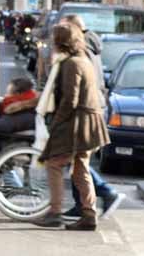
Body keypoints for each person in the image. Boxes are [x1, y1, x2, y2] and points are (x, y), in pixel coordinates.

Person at [35, 23, 110, 230]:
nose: (51, 43)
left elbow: (70, 100)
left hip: (79, 123)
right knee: (80, 168)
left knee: (54, 163)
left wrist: (56, 124)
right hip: (88, 122)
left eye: (54, 39)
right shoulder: (82, 60)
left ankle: (55, 212)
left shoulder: (71, 64)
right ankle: (89, 214)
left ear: (60, 42)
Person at [57, 14, 125, 220]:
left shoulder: (82, 50)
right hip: (95, 107)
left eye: (63, 28)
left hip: (86, 111)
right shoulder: (91, 47)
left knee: (78, 161)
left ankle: (105, 193)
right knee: (77, 161)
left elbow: (75, 87)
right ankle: (82, 205)